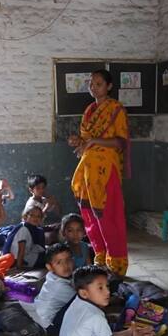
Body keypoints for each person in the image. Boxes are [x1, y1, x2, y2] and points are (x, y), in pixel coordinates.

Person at [68, 69, 131, 276]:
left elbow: (120, 142)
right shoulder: (89, 111)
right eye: (91, 84)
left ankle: (116, 263)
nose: (94, 87)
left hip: (106, 171)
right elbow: (87, 140)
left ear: (109, 86)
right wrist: (80, 142)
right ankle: (100, 256)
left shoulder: (116, 109)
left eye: (99, 84)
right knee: (90, 215)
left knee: (108, 215)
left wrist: (94, 141)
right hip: (88, 170)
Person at [32, 243, 76, 336]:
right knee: (84, 300)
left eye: (68, 260)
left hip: (40, 316)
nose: (65, 265)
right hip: (50, 327)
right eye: (59, 262)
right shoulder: (60, 287)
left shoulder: (52, 275)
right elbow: (86, 297)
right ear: (49, 267)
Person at [2, 205, 46, 270]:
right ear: (25, 216)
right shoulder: (24, 229)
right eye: (32, 215)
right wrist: (19, 267)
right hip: (16, 260)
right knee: (48, 257)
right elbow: (21, 249)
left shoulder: (31, 228)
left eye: (38, 216)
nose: (35, 218)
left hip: (22, 256)